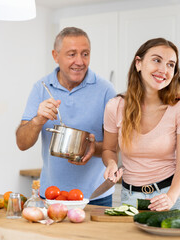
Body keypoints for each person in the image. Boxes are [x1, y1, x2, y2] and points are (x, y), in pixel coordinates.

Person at [16, 27, 117, 206]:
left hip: (96, 197)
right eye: (72, 54)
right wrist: (38, 120)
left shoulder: (106, 90)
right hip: (51, 195)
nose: (80, 61)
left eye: (85, 54)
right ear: (56, 56)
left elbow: (115, 147)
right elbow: (22, 143)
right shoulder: (41, 88)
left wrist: (92, 147)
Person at [102, 38, 180, 214]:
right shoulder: (115, 106)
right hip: (131, 198)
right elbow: (108, 149)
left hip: (172, 195)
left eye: (170, 64)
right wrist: (111, 163)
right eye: (157, 60)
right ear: (138, 63)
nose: (163, 69)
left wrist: (171, 197)